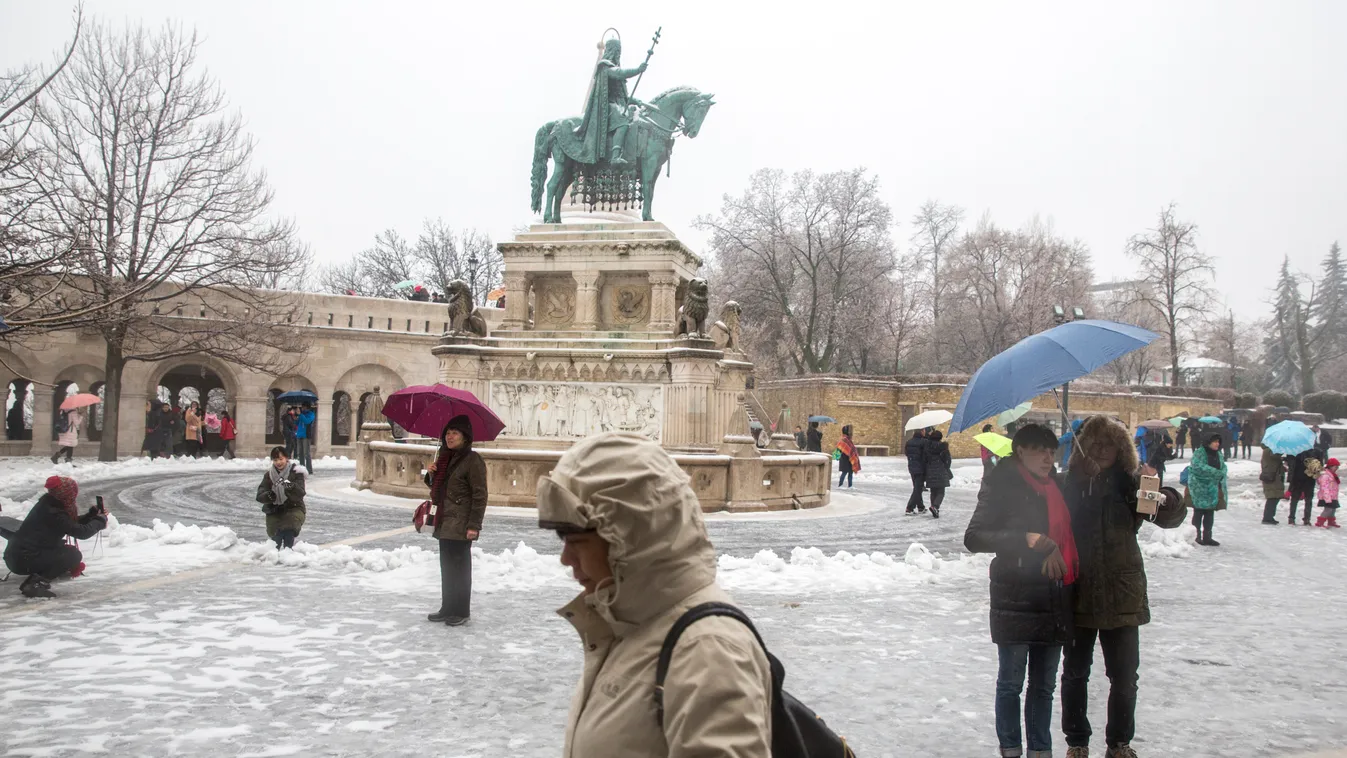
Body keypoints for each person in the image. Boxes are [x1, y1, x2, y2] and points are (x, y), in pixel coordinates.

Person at [536, 433, 772, 756]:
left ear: (628, 536)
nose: (565, 559)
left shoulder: (707, 651)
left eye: (575, 542)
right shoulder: (632, 622)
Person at [1059, 415, 1179, 758]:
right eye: (1094, 442)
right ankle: (1077, 741)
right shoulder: (1070, 483)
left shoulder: (1130, 482)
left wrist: (1165, 495)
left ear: (1121, 449)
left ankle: (1119, 742)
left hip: (1122, 592)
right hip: (1078, 590)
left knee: (1125, 677)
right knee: (1075, 673)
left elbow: (1165, 514)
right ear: (1082, 447)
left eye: (1109, 443)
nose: (1101, 449)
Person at [966, 423, 1077, 758]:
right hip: (1015, 598)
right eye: (1039, 450)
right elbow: (974, 537)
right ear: (1020, 452)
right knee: (1012, 683)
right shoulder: (1000, 484)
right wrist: (1023, 539)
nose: (1047, 457)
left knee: (1044, 686)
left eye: (1051, 450)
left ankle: (1041, 751)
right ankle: (1011, 749)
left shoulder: (1058, 486)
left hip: (1054, 596)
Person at [423, 415, 487, 626]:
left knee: (460, 568)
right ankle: (447, 607)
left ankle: (461, 611)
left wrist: (474, 525)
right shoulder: (444, 457)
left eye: (455, 433)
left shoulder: (472, 460)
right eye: (448, 433)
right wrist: (431, 475)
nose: (449, 437)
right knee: (447, 566)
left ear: (465, 437)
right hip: (444, 519)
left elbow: (480, 495)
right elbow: (439, 489)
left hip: (461, 521)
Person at [3, 475, 108, 598]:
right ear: (66, 495)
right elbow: (81, 533)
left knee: (66, 552)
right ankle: (35, 584)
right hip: (23, 560)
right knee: (72, 554)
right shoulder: (54, 512)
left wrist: (91, 516)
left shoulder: (48, 504)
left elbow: (69, 526)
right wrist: (100, 521)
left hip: (17, 557)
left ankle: (45, 572)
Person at [254, 447, 306, 549]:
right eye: (275, 460)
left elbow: (300, 493)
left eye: (281, 459)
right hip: (274, 509)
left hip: (294, 508)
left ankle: (288, 552)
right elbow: (260, 495)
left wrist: (292, 487)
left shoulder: (296, 473)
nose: (278, 462)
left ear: (287, 458)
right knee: (275, 535)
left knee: (288, 528)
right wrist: (268, 496)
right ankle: (274, 557)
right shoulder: (269, 475)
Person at [1187, 434, 1229, 547]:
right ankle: (1196, 537)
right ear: (1208, 442)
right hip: (1199, 487)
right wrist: (1215, 472)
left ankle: (1207, 537)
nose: (1217, 444)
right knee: (1199, 512)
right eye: (1215, 441)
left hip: (1212, 488)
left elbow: (1223, 467)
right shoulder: (1199, 453)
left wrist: (1222, 471)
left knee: (1210, 513)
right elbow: (1197, 467)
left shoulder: (1218, 454)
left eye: (1218, 442)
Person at [1288, 446, 1326, 526]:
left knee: (1305, 499)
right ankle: (1296, 518)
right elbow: (1291, 463)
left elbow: (1320, 465)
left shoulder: (1314, 451)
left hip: (1306, 478)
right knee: (1298, 499)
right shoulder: (1298, 450)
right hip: (1299, 478)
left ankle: (1303, 518)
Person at [924, 430, 953, 519]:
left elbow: (924, 459)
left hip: (930, 470)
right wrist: (946, 467)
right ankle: (935, 506)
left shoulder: (927, 447)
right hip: (941, 470)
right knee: (941, 491)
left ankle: (934, 507)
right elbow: (948, 461)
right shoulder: (943, 447)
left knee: (933, 491)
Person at [1259, 445, 1287, 525]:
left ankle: (1269, 516)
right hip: (1272, 477)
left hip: (1273, 476)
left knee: (1275, 497)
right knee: (1272, 497)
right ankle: (1267, 517)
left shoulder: (1269, 450)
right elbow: (1275, 456)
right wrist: (1283, 450)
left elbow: (1274, 462)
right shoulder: (1269, 450)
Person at [905, 428, 929, 514]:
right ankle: (909, 508)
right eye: (924, 430)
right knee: (918, 489)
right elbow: (926, 455)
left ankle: (920, 507)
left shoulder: (909, 442)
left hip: (912, 467)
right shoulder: (924, 442)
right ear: (922, 432)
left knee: (917, 487)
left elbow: (907, 453)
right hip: (921, 468)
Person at [1315, 457, 1341, 528]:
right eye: (1335, 467)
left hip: (1333, 496)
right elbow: (1324, 488)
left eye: (1337, 467)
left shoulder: (1333, 475)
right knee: (1328, 509)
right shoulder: (1325, 475)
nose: (1336, 468)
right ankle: (1320, 522)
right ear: (1330, 466)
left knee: (1333, 509)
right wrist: (1327, 498)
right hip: (1327, 496)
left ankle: (1331, 521)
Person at [835, 424, 861, 489]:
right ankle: (840, 485)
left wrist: (837, 456)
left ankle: (850, 485)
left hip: (847, 459)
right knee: (845, 472)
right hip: (845, 459)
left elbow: (839, 448)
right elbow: (840, 448)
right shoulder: (845, 440)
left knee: (850, 472)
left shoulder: (845, 439)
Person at [296, 405, 316, 473]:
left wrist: (300, 415)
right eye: (302, 407)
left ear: (307, 407)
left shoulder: (311, 414)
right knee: (300, 453)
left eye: (304, 407)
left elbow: (307, 421)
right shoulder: (301, 414)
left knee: (306, 453)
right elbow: (296, 423)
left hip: (306, 436)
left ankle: (309, 470)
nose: (302, 408)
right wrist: (296, 416)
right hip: (299, 435)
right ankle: (302, 469)